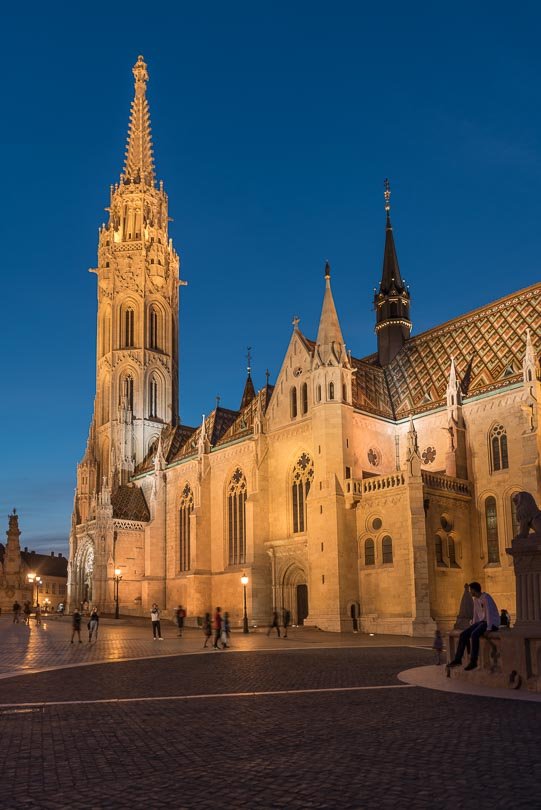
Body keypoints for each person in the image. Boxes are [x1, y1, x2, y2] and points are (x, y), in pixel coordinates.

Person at [448, 582, 500, 671]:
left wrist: (489, 628)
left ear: (474, 590)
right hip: (482, 622)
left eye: (471, 590)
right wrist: (472, 625)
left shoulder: (486, 598)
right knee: (464, 634)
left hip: (492, 623)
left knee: (474, 635)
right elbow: (475, 614)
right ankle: (458, 659)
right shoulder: (476, 599)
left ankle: (473, 661)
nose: (470, 592)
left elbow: (489, 613)